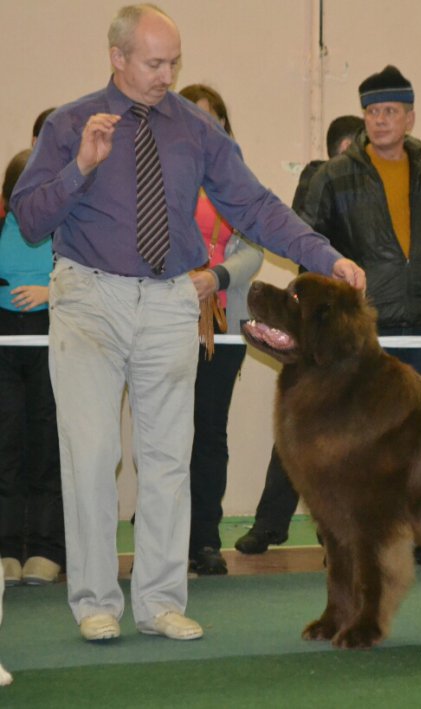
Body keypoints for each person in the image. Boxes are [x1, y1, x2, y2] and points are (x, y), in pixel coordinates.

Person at [10, 4, 364, 643]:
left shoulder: (195, 128)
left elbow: (253, 204)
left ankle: (159, 602)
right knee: (92, 455)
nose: (166, 74)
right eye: (153, 62)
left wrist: (326, 255)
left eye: (173, 61)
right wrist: (80, 168)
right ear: (117, 57)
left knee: (169, 458)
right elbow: (30, 218)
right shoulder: (69, 124)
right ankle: (94, 600)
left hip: (171, 299)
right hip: (89, 297)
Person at [298, 65, 421, 566]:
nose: (380, 121)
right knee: (356, 439)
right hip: (361, 334)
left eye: (390, 111)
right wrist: (335, 314)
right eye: (372, 112)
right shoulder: (333, 177)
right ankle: (349, 536)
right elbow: (309, 245)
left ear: (410, 117)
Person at [235, 114, 364, 557]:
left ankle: (346, 535)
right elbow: (299, 234)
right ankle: (270, 524)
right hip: (317, 323)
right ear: (341, 147)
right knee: (298, 433)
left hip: (356, 324)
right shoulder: (319, 181)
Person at [172, 84, 265, 576]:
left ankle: (204, 538)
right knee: (163, 432)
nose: (206, 125)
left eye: (215, 118)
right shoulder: (158, 173)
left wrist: (217, 276)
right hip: (164, 320)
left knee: (209, 432)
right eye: (195, 116)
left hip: (223, 323)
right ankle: (164, 535)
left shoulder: (237, 179)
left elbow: (255, 250)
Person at [0, 149, 65, 587]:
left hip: (50, 335)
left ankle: (46, 547)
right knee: (7, 442)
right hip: (4, 340)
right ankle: (6, 546)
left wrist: (50, 292)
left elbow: (89, 277)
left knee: (47, 441)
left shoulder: (68, 229)